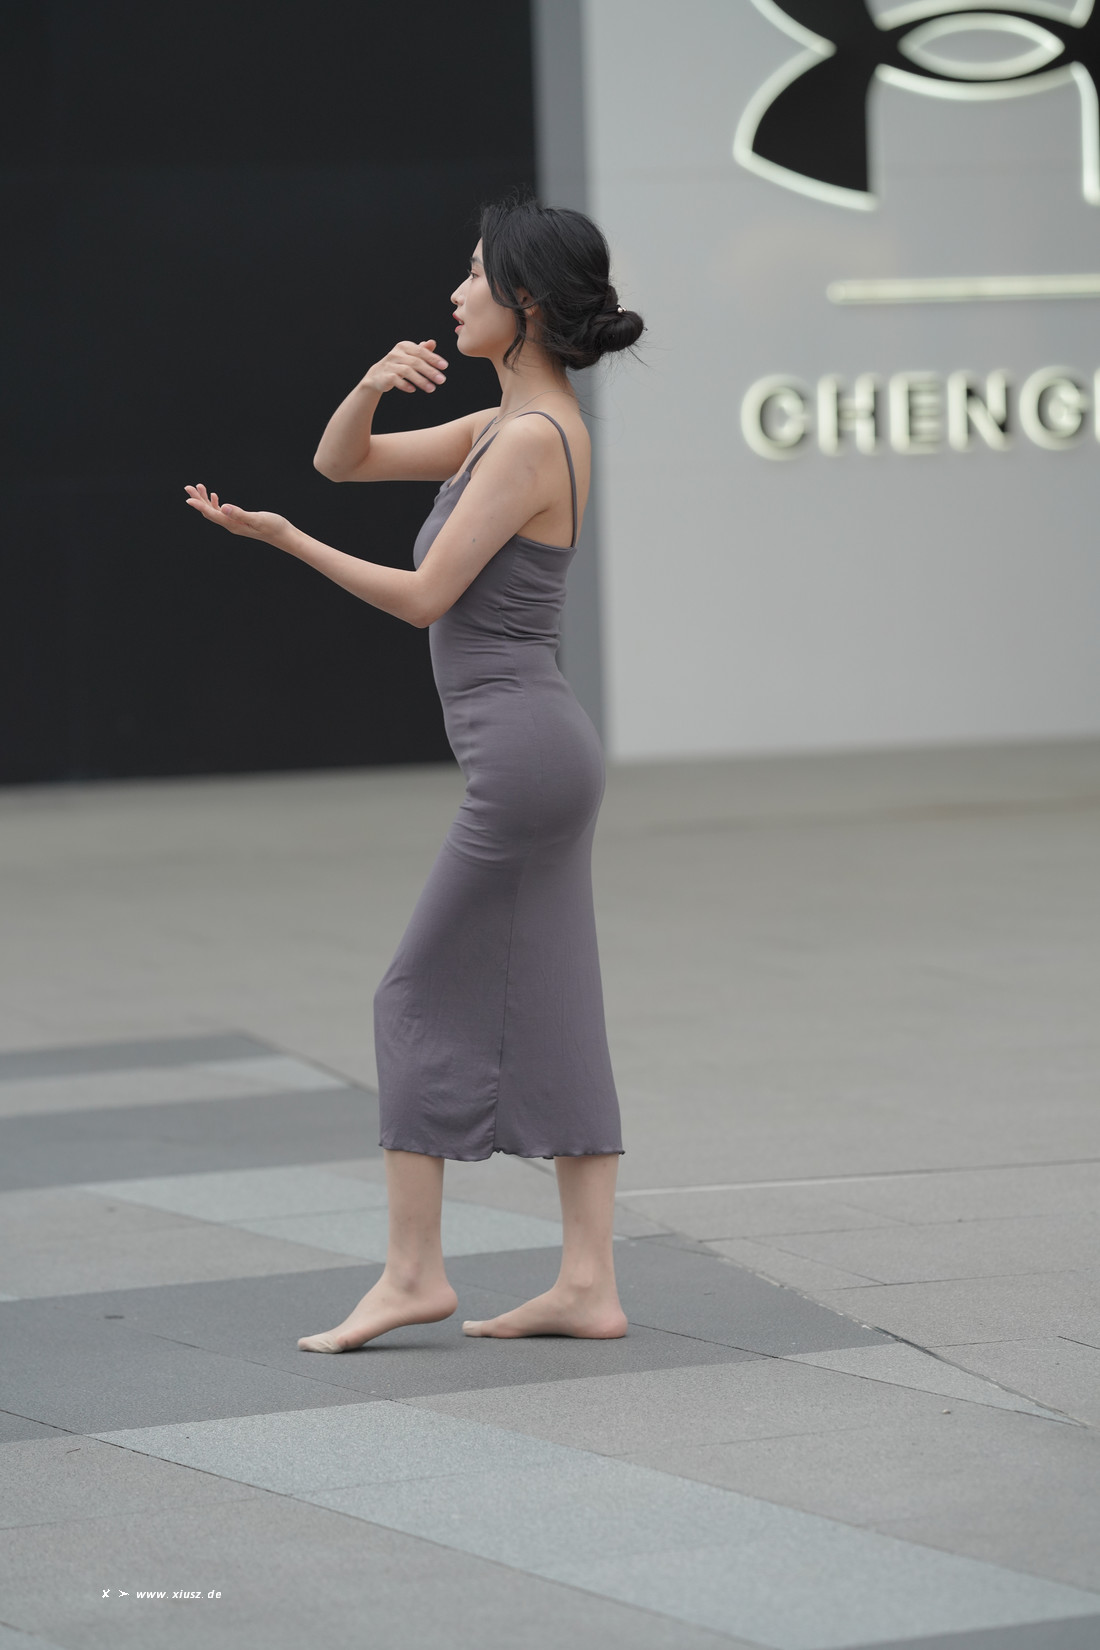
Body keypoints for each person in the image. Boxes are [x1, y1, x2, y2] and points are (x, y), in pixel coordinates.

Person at [184, 195, 644, 1351]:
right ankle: (585, 1284)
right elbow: (341, 461)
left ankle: (411, 1275)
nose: (454, 292)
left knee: (412, 995)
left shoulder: (530, 439)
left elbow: (426, 597)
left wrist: (285, 540)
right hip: (539, 751)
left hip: (524, 758)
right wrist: (370, 385)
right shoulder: (506, 425)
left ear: (523, 302)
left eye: (474, 275)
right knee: (552, 1006)